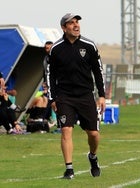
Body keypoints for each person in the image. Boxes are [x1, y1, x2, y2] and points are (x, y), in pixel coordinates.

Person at [47, 13, 106, 179]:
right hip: (64, 96)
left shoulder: (89, 46)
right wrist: (52, 98)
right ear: (64, 28)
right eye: (71, 23)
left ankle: (93, 157)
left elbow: (98, 71)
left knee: (93, 134)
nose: (76, 25)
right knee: (66, 130)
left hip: (86, 96)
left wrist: (102, 95)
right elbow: (50, 75)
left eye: (77, 22)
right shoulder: (56, 49)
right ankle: (69, 169)